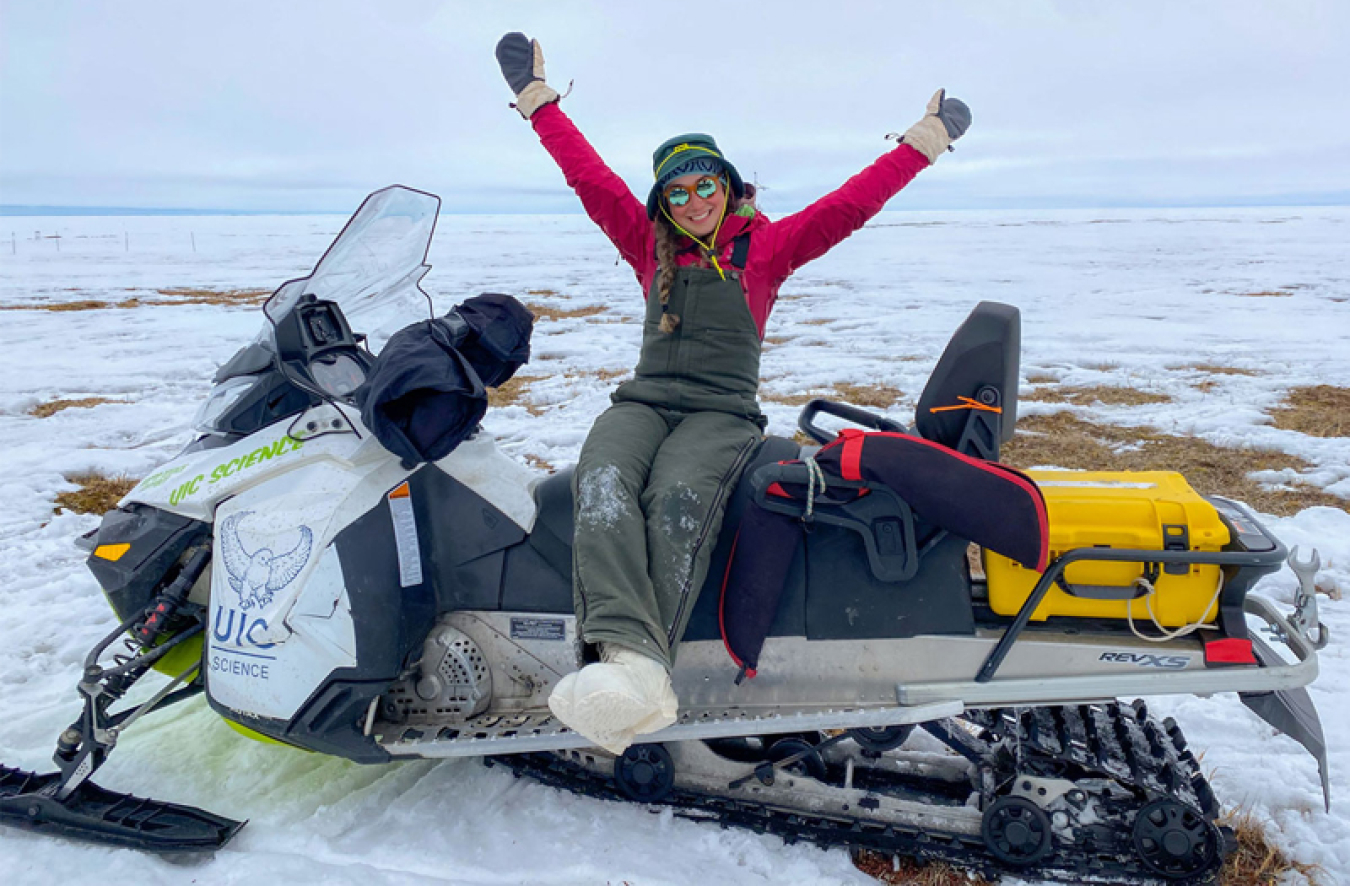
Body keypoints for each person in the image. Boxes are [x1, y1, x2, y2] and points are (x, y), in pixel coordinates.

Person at [494, 32, 970, 754]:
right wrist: (537, 100)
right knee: (602, 481)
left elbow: (852, 204)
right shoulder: (645, 243)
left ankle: (638, 671)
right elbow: (588, 177)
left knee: (681, 496)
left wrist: (924, 139)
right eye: (677, 192)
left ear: (726, 185)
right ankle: (630, 664)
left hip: (720, 412)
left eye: (704, 186)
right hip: (646, 401)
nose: (691, 202)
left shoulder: (769, 248)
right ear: (664, 202)